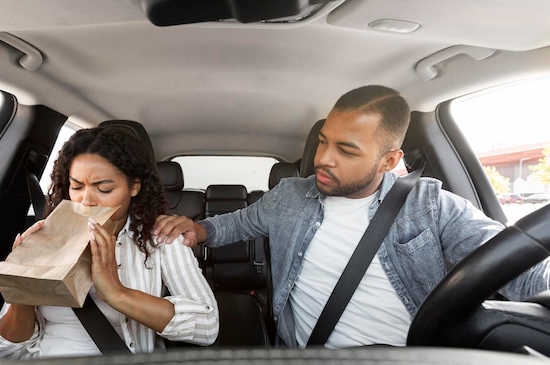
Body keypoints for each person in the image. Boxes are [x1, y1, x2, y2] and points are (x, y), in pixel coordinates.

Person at [153, 85, 550, 349]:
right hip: (306, 362)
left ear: (390, 160)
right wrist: (198, 228)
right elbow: (237, 224)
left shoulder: (431, 205)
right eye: (323, 141)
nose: (323, 159)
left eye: (346, 150)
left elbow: (517, 266)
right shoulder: (290, 196)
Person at [0, 126, 219, 359]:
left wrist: (116, 292)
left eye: (104, 189)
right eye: (76, 186)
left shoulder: (161, 238)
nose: (86, 200)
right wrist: (23, 286)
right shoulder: (45, 237)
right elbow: (7, 352)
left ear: (134, 187)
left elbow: (207, 327)